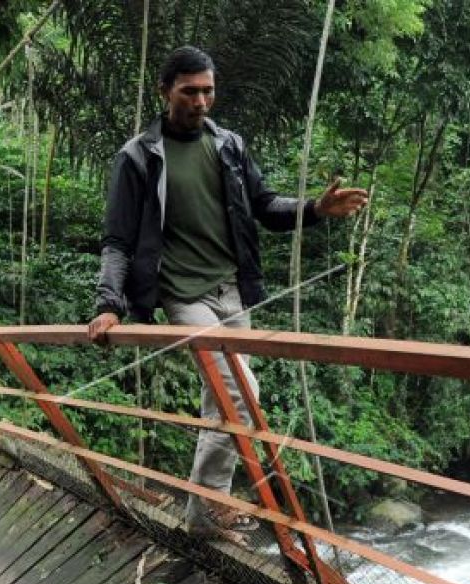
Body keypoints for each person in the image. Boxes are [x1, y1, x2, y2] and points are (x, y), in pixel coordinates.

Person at [87, 46, 367, 543]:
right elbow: (117, 240)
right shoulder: (136, 157)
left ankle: (205, 514)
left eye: (208, 91)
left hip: (233, 292)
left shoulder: (229, 146)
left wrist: (315, 209)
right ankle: (210, 511)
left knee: (222, 404)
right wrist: (109, 305)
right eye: (189, 90)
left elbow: (264, 206)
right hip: (182, 294)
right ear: (165, 91)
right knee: (241, 394)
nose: (200, 101)